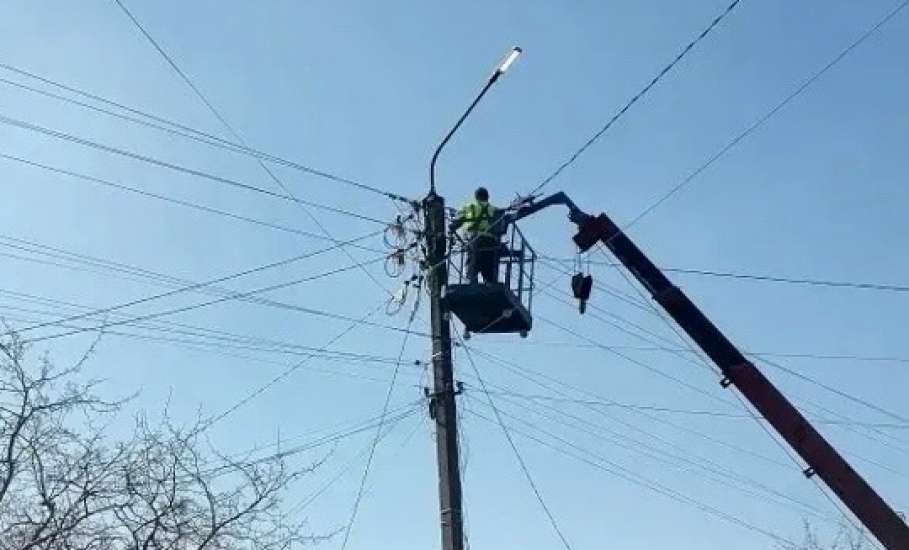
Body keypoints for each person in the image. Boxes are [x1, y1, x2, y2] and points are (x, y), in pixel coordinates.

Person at [449, 186, 504, 284]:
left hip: (475, 240)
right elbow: (500, 228)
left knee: (473, 265)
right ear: (488, 197)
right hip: (490, 242)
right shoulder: (495, 210)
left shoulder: (469, 207)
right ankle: (490, 283)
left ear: (476, 197)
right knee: (489, 267)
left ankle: (472, 281)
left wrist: (452, 227)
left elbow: (457, 221)